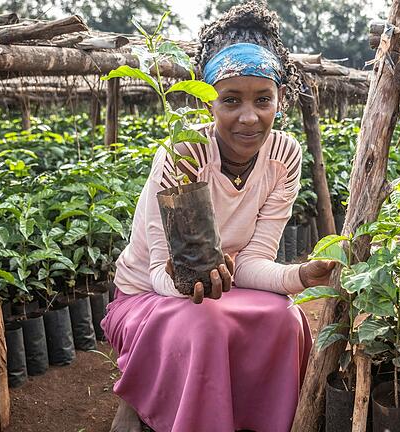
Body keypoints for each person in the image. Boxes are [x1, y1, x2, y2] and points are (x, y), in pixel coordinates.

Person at [101, 3, 336, 432]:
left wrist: (301, 275)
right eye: (230, 100)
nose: (249, 117)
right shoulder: (183, 152)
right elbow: (157, 272)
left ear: (279, 99)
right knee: (204, 323)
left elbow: (251, 261)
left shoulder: (284, 157)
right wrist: (186, 278)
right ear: (207, 102)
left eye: (263, 99)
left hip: (225, 287)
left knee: (286, 318)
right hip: (149, 297)